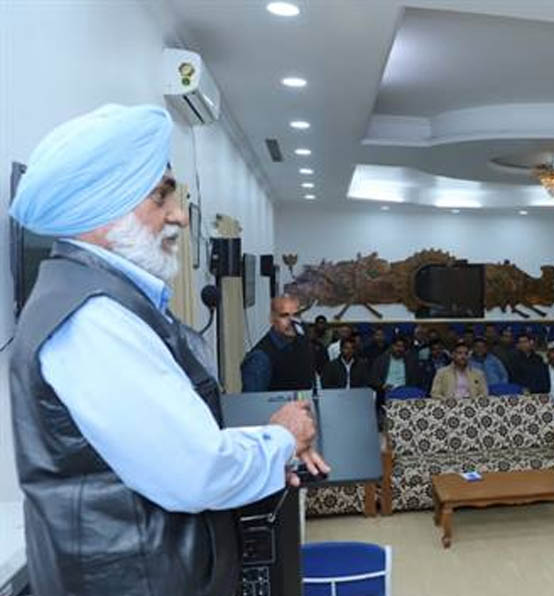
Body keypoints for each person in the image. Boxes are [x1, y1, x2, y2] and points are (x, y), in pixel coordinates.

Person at [8, 104, 328, 595]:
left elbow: (170, 447)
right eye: (162, 196)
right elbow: (196, 470)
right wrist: (283, 437)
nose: (179, 214)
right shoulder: (94, 318)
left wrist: (264, 456)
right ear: (103, 205)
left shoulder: (101, 299)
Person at [241, 295, 317, 391]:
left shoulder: (302, 344)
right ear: (272, 319)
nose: (291, 321)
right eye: (284, 316)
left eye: (296, 315)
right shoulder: (260, 358)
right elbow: (253, 399)